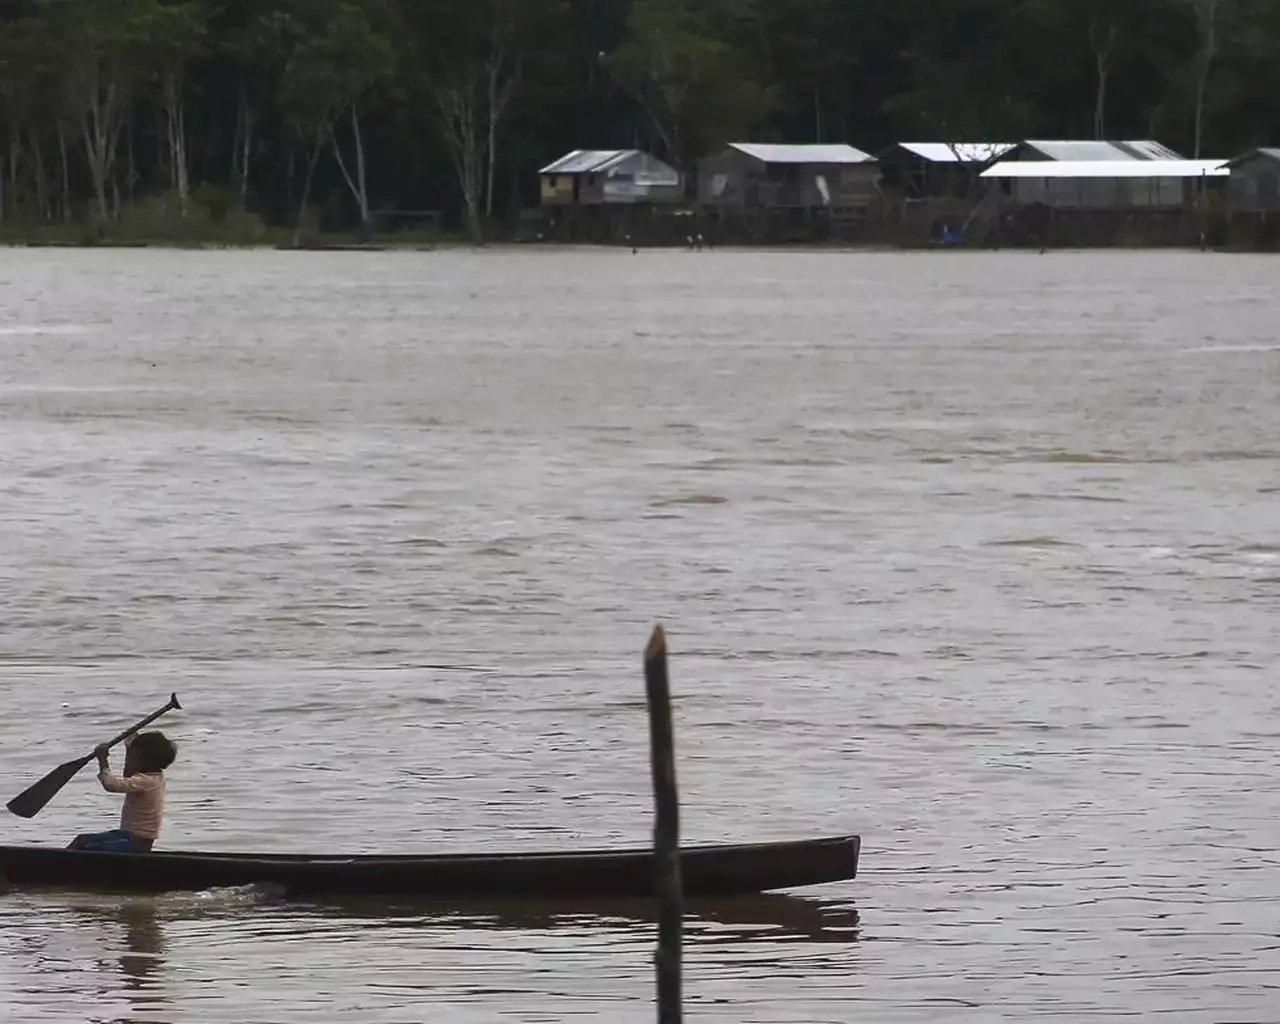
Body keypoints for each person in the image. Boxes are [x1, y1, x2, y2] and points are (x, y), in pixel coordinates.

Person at [66, 730, 177, 854]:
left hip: (132, 842)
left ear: (145, 760)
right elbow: (128, 775)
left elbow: (111, 784)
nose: (131, 759)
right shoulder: (156, 778)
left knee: (81, 842)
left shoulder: (145, 781)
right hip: (133, 840)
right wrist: (129, 743)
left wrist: (103, 760)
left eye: (134, 756)